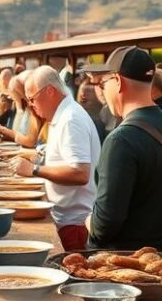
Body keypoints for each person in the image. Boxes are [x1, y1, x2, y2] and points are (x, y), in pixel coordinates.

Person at [87, 46, 162, 251]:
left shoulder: (120, 140)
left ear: (118, 82)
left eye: (103, 83)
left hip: (125, 266)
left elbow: (104, 225)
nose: (102, 90)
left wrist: (89, 221)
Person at [7, 67, 100, 251]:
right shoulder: (63, 116)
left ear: (49, 91)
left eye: (32, 99)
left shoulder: (71, 119)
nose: (31, 105)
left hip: (75, 222)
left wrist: (34, 170)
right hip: (67, 218)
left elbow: (81, 173)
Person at [0, 74, 43, 148]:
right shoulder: (26, 109)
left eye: (13, 94)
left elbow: (30, 141)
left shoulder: (33, 111)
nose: (11, 97)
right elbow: (21, 135)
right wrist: (6, 135)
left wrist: (6, 131)